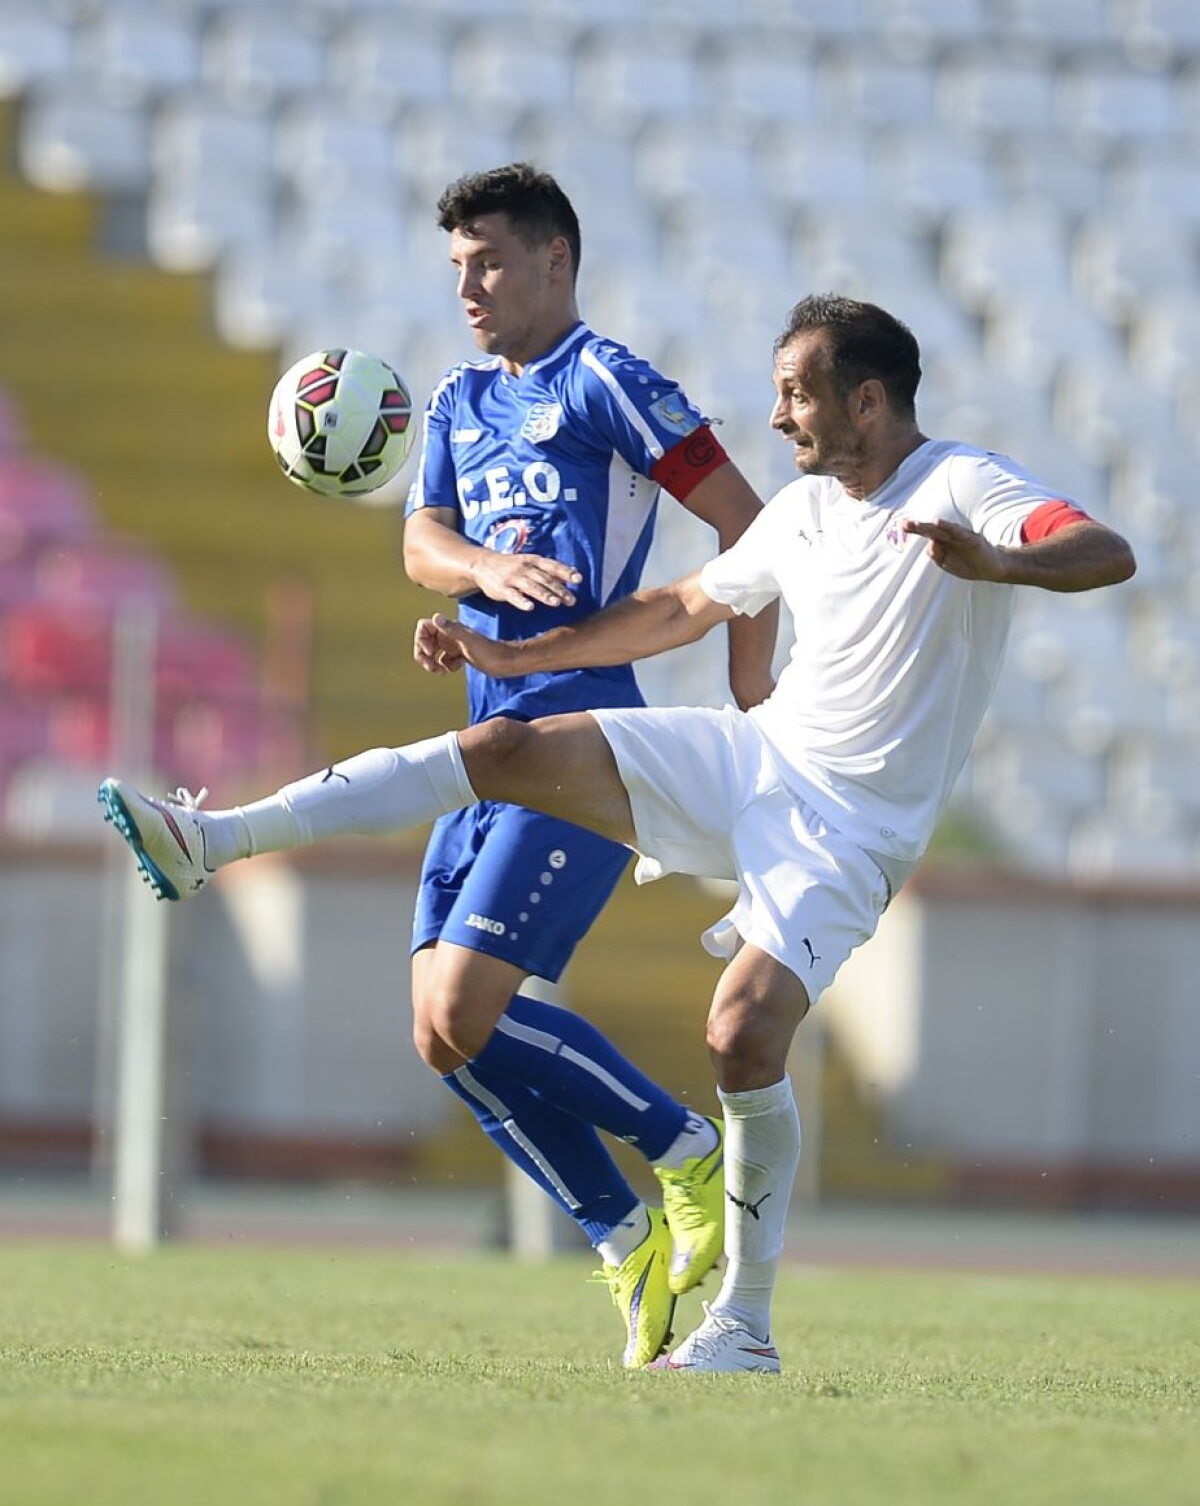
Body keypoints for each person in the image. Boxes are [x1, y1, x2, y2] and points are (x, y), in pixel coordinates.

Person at [99, 294, 1136, 1373]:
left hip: (854, 823)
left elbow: (1104, 550)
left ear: (865, 397)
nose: (779, 416)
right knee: (506, 746)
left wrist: (1002, 563)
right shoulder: (804, 508)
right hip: (757, 755)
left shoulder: (963, 483)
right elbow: (680, 605)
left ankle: (745, 1323)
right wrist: (508, 660)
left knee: (741, 1033)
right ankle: (211, 838)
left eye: (797, 392)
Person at [108, 162, 778, 1373]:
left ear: (556, 261)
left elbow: (749, 522)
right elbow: (420, 540)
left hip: (580, 735)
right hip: (483, 730)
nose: (467, 287)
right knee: (439, 1032)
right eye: (457, 267)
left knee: (468, 1008)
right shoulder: (464, 398)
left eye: (491, 262)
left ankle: (683, 1145)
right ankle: (623, 1234)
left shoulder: (610, 381)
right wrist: (476, 579)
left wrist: (749, 687)